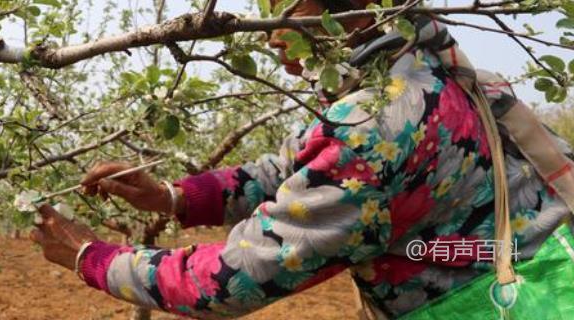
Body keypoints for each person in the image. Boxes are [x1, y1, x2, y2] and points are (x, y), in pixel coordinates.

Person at [29, 0, 574, 318]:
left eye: (280, 9)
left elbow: (230, 278)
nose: (266, 33)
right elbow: (292, 168)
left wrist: (90, 257)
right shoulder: (417, 68)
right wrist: (172, 196)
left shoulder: (373, 123)